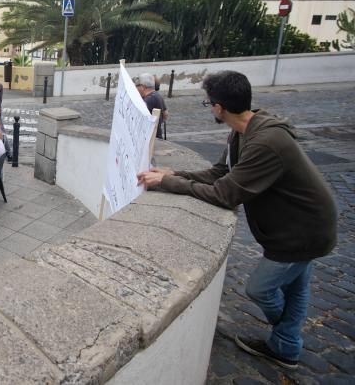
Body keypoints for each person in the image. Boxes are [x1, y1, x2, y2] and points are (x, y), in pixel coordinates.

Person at [137, 71, 337, 370]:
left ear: (219, 107)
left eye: (208, 103)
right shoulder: (244, 129)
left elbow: (225, 193)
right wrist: (175, 174)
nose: (210, 108)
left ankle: (285, 335)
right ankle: (286, 347)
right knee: (296, 289)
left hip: (303, 231)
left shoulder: (265, 142)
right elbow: (220, 171)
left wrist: (166, 184)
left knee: (260, 289)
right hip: (302, 226)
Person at [136, 73, 167, 139]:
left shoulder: (148, 100)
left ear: (143, 87)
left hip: (150, 138)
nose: (136, 89)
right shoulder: (157, 95)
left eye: (137, 86)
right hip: (157, 134)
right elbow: (165, 114)